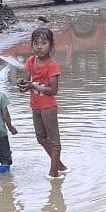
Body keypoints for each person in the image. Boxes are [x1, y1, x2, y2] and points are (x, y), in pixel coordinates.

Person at [19, 27, 67, 178]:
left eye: (44, 43)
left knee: (54, 140)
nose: (39, 47)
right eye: (36, 43)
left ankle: (54, 173)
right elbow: (28, 82)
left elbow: (53, 90)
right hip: (35, 105)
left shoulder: (52, 65)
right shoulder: (30, 61)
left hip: (48, 106)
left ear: (51, 46)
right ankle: (59, 165)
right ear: (31, 45)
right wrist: (23, 84)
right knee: (40, 138)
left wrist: (33, 85)